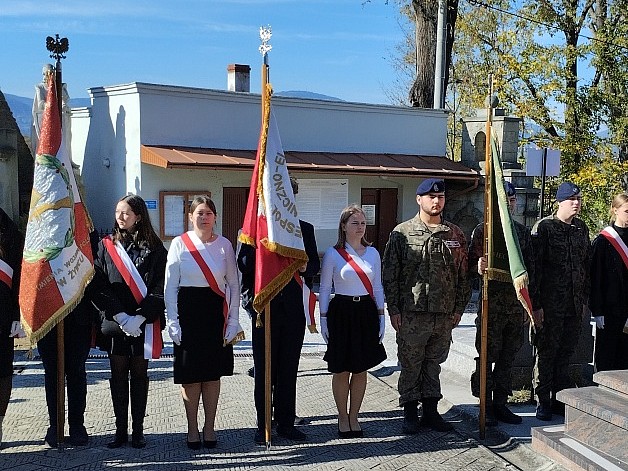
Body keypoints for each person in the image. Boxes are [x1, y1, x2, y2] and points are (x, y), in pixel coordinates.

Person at [382, 178, 470, 434]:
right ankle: (410, 412)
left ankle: (431, 412)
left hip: (443, 315)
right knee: (410, 364)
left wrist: (458, 310)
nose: (436, 201)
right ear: (419, 199)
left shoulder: (455, 234)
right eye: (430, 197)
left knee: (434, 364)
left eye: (440, 197)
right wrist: (394, 309)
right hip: (412, 313)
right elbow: (391, 274)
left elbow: (463, 276)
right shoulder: (402, 233)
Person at [238, 177, 320, 445]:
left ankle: (286, 422)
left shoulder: (304, 230)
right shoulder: (253, 229)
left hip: (293, 311)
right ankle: (263, 425)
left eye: (289, 194)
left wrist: (306, 267)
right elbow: (244, 270)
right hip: (265, 312)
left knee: (288, 370)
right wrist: (253, 308)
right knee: (264, 371)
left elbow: (314, 268)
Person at [165, 196, 243, 450]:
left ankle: (209, 427)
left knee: (211, 376)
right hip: (188, 314)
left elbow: (233, 283)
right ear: (190, 216)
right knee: (190, 377)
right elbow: (170, 286)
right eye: (199, 212)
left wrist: (233, 319)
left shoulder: (224, 246)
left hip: (214, 315)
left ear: (215, 217)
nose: (204, 217)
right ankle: (191, 429)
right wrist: (172, 321)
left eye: (209, 212)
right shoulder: (179, 244)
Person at [92, 194, 167, 449]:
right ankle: (120, 430)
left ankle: (138, 431)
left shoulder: (156, 248)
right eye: (117, 212)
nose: (120, 217)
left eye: (125, 213)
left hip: (143, 323)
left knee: (139, 376)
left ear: (138, 215)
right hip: (117, 323)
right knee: (117, 376)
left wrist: (142, 316)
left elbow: (161, 286)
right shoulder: (106, 246)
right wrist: (122, 316)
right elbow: (98, 285)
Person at [468, 182, 534, 425]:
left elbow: (530, 270)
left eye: (513, 199)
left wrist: (529, 305)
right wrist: (477, 267)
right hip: (491, 307)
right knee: (486, 357)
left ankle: (501, 403)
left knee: (508, 358)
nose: (510, 203)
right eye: (505, 199)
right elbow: (467, 268)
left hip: (515, 309)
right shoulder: (482, 232)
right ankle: (484, 404)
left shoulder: (522, 233)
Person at [319, 204, 386, 438]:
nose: (360, 227)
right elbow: (325, 288)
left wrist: (381, 316)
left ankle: (355, 415)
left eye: (363, 223)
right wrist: (324, 319)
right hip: (341, 312)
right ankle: (342, 416)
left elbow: (377, 286)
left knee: (360, 368)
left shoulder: (373, 253)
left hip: (365, 312)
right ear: (344, 226)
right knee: (341, 368)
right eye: (354, 223)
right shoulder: (333, 254)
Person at [530, 181, 591, 421]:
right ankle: (543, 400)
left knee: (565, 353)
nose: (576, 204)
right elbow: (534, 269)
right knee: (546, 353)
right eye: (571, 200)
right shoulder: (544, 228)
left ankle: (559, 398)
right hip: (549, 305)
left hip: (573, 305)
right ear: (560, 202)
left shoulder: (581, 229)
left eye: (578, 200)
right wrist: (536, 305)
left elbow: (586, 264)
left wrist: (585, 299)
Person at [37, 228, 99, 448]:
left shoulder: (84, 228)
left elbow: (93, 269)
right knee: (52, 372)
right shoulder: (39, 231)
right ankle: (55, 425)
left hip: (78, 316)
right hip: (48, 315)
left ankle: (76, 425)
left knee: (76, 371)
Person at [589, 193, 628, 372]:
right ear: (615, 210)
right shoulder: (605, 241)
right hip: (610, 308)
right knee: (607, 357)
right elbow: (596, 277)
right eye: (627, 211)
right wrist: (597, 310)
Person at [0, 209, 24, 447]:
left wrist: (18, 315)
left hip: (3, 318)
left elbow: (20, 279)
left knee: (2, 373)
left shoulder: (10, 233)